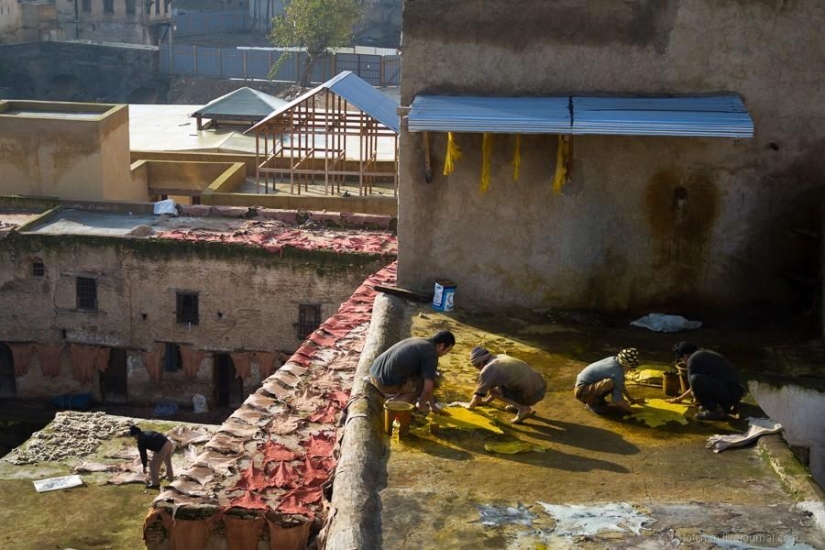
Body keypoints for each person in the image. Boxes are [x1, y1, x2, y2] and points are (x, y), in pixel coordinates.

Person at [368, 330, 455, 414]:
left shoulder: (420, 341)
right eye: (447, 351)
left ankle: (398, 399)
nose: (445, 354)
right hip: (384, 383)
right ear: (442, 346)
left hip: (374, 374)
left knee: (427, 380)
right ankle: (393, 406)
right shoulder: (431, 353)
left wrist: (432, 405)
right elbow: (428, 389)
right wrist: (421, 406)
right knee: (418, 388)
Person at [466, 346, 547, 424]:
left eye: (476, 366)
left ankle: (523, 409)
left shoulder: (488, 369)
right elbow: (497, 384)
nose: (478, 369)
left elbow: (477, 397)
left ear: (481, 362)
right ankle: (519, 404)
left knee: (493, 391)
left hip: (532, 395)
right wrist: (487, 402)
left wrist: (469, 406)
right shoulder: (500, 356)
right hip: (541, 387)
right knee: (501, 385)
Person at [667, 341, 745, 420]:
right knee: (701, 395)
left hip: (730, 393)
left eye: (682, 359)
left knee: (695, 379)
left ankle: (715, 411)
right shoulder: (704, 354)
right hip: (736, 392)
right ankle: (723, 406)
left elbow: (693, 388)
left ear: (684, 355)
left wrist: (699, 399)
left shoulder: (693, 359)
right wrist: (679, 399)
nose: (683, 362)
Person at [574, 348, 644, 414]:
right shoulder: (617, 372)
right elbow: (617, 400)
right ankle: (592, 403)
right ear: (627, 365)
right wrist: (633, 411)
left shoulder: (614, 359)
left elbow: (620, 384)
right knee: (610, 383)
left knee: (613, 383)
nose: (631, 370)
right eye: (631, 367)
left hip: (584, 387)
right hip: (582, 392)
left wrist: (631, 399)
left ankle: (595, 400)